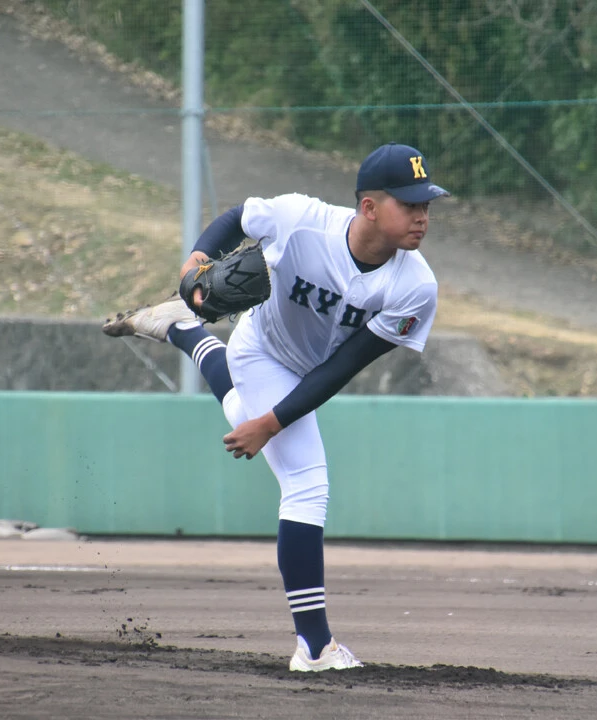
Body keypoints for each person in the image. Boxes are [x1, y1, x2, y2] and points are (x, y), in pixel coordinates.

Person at [104, 143, 448, 671]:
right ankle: (314, 647)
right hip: (260, 350)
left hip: (309, 372)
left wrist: (270, 422)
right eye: (409, 204)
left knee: (249, 419)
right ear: (370, 207)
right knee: (307, 484)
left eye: (426, 204)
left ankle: (183, 331)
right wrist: (194, 264)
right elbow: (236, 218)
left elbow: (342, 366)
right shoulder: (301, 220)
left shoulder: (416, 286)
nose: (422, 215)